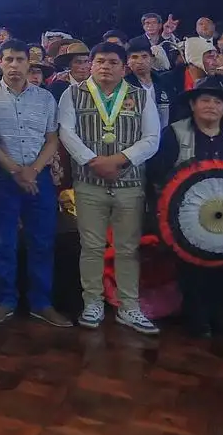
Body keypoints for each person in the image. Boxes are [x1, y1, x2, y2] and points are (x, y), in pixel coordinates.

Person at [58, 41, 162, 335]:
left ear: (124, 67)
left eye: (113, 62)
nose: (106, 66)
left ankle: (129, 307)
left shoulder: (140, 97)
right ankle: (93, 303)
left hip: (129, 184)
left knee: (127, 248)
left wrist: (118, 160)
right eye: (100, 61)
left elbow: (152, 138)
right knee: (91, 246)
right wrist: (93, 161)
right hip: (89, 182)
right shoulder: (73, 94)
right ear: (90, 64)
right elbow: (67, 132)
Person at [146, 78, 223, 337]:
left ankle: (217, 314)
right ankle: (197, 317)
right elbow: (156, 173)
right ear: (193, 104)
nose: (211, 106)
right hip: (185, 218)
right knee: (191, 270)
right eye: (205, 100)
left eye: (218, 102)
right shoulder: (174, 133)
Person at [0, 41, 69, 327]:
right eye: (9, 59)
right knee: (3, 242)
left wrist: (32, 171)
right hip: (2, 177)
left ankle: (41, 302)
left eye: (20, 59)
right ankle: (5, 300)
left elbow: (52, 139)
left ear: (28, 64)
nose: (14, 65)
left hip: (39, 176)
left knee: (42, 241)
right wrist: (15, 171)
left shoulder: (45, 98)